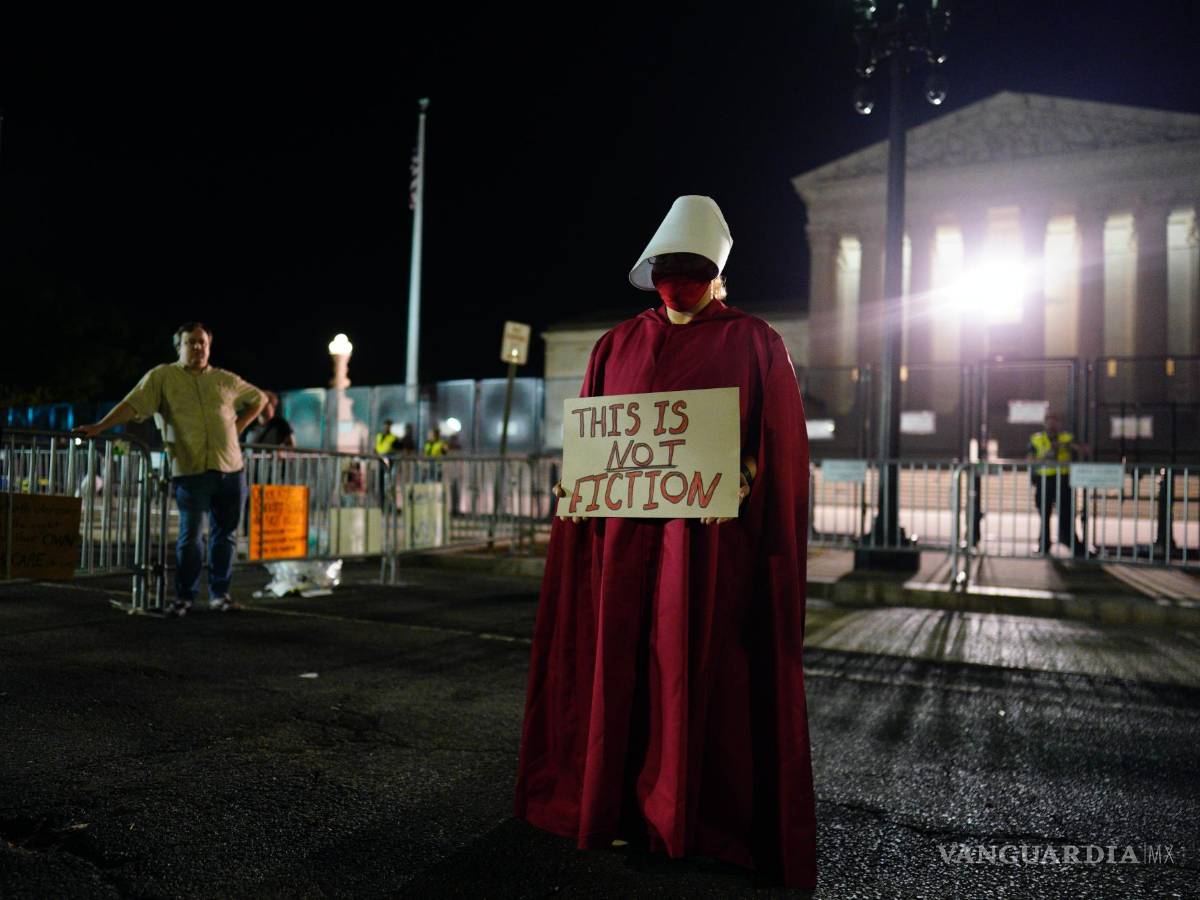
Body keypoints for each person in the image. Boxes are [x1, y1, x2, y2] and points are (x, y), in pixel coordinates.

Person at [513, 196, 816, 889]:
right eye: (668, 269)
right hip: (623, 547)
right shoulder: (615, 344)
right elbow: (596, 444)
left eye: (692, 270)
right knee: (621, 664)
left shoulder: (756, 341)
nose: (678, 282)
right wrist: (582, 491)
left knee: (692, 669)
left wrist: (741, 480)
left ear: (716, 274)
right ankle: (619, 803)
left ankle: (695, 816)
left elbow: (777, 447)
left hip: (706, 549)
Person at [75, 322, 266, 615]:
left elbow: (259, 399)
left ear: (209, 346)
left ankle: (220, 595)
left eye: (202, 342)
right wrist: (100, 426)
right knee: (191, 538)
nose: (198, 347)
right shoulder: (162, 377)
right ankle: (185, 597)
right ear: (179, 347)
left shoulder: (225, 380)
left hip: (232, 470)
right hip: (191, 472)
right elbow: (132, 404)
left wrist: (237, 427)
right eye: (191, 342)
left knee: (225, 536)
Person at [1027, 412, 1086, 556]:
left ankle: (1070, 542)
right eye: (1049, 422)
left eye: (1055, 422)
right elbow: (1029, 460)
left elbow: (1083, 450)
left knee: (1066, 514)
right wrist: (1045, 456)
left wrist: (1068, 445)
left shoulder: (1067, 438)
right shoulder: (1036, 439)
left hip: (1063, 480)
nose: (1052, 425)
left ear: (1059, 424)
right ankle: (1044, 544)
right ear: (1044, 424)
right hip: (1044, 480)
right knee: (1044, 514)